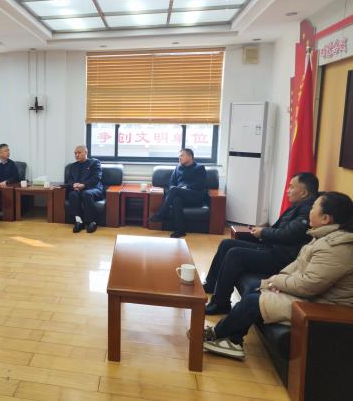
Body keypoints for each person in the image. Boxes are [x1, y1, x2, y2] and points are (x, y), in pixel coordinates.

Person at [200, 191, 353, 360]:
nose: (310, 210)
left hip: (323, 307)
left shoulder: (335, 247)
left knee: (253, 301)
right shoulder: (322, 237)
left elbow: (308, 285)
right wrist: (275, 282)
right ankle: (234, 341)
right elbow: (297, 266)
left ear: (325, 218)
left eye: (314, 207)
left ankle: (217, 334)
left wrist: (276, 282)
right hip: (312, 296)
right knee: (256, 286)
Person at [204, 172, 319, 315]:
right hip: (275, 248)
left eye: (291, 187)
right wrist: (261, 231)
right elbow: (281, 230)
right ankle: (211, 284)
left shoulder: (307, 211)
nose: (287, 190)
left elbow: (289, 234)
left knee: (235, 255)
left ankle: (221, 304)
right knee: (226, 244)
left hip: (283, 258)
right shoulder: (299, 206)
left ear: (304, 193)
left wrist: (263, 233)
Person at [148, 148, 208, 238]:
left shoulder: (199, 168)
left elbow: (200, 184)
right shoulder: (178, 168)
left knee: (174, 190)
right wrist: (177, 189)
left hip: (195, 196)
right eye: (179, 156)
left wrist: (185, 187)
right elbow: (171, 182)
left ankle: (161, 214)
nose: (179, 158)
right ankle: (180, 230)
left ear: (190, 156)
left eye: (182, 156)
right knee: (176, 199)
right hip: (181, 194)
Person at [66, 145, 103, 233]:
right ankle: (79, 222)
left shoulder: (95, 163)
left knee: (86, 193)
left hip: (94, 188)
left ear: (86, 152)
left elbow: (96, 178)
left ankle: (92, 222)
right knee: (72, 194)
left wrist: (84, 185)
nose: (76, 155)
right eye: (75, 153)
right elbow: (69, 180)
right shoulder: (73, 166)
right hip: (79, 189)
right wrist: (73, 185)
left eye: (79, 153)